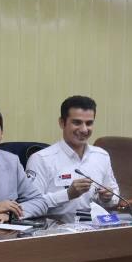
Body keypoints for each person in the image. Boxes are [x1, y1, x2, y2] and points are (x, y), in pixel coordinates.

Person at [26, 96, 119, 224]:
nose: (84, 129)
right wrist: (67, 194)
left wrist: (108, 197)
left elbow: (115, 197)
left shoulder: (101, 156)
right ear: (62, 123)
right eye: (77, 122)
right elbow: (30, 205)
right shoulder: (41, 159)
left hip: (96, 228)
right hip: (56, 230)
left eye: (89, 123)